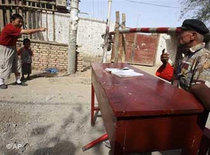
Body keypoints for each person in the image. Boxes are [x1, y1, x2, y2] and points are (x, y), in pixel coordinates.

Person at [156, 19, 210, 109]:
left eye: (182, 32)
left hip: (189, 112)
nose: (178, 35)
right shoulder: (186, 54)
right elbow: (178, 77)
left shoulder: (204, 57)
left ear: (193, 35)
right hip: (176, 104)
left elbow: (200, 88)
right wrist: (165, 64)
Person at [0, 13, 47, 89]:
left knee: (17, 63)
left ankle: (18, 80)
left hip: (12, 46)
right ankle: (1, 82)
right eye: (19, 22)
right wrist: (39, 29)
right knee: (5, 64)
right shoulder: (10, 28)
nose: (20, 24)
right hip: (5, 47)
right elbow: (28, 32)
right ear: (12, 21)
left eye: (21, 22)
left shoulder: (15, 28)